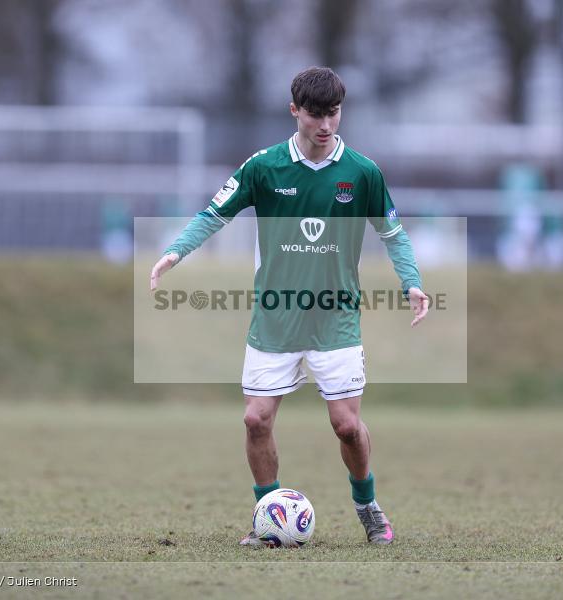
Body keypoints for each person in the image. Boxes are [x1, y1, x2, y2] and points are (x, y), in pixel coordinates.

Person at [150, 67, 428, 546]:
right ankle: (267, 516)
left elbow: (394, 234)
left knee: (346, 427)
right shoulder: (263, 166)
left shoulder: (362, 172)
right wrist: (176, 251)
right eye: (316, 114)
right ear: (294, 110)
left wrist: (413, 283)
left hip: (335, 318)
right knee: (255, 419)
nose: (326, 125)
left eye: (334, 114)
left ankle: (368, 507)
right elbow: (213, 214)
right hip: (275, 318)